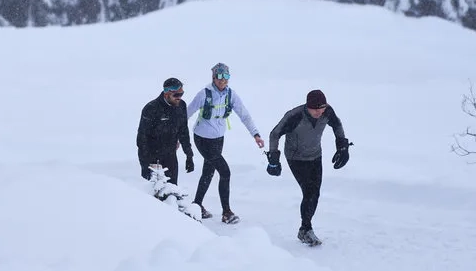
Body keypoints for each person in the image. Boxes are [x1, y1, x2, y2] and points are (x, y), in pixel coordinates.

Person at [266, 89, 352, 246]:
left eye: (322, 108)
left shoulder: (327, 111)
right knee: (309, 192)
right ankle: (306, 229)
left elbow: (337, 125)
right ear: (308, 107)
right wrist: (273, 158)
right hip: (295, 157)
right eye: (315, 109)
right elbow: (274, 133)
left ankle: (305, 229)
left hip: (315, 155)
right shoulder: (295, 116)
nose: (319, 112)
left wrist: (342, 146)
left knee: (315, 193)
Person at [186, 62, 264, 224]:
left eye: (226, 76)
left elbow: (245, 115)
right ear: (214, 78)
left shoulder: (231, 95)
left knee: (209, 172)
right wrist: (177, 137)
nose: (222, 80)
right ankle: (226, 212)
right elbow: (187, 113)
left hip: (218, 139)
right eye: (219, 76)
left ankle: (196, 205)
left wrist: (255, 134)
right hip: (202, 138)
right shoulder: (204, 94)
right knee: (225, 172)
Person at [137, 77, 194, 186]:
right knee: (156, 195)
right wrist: (145, 165)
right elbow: (141, 138)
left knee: (172, 191)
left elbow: (183, 131)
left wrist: (189, 155)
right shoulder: (151, 109)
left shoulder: (181, 106)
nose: (179, 98)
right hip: (153, 158)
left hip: (170, 156)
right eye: (176, 95)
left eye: (181, 94)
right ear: (166, 93)